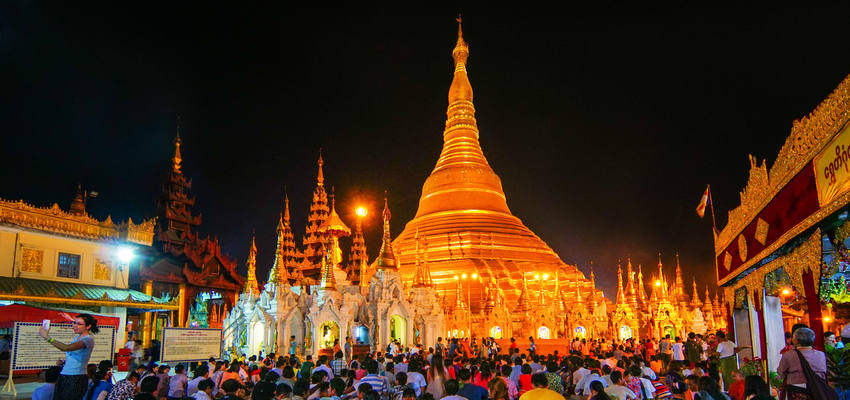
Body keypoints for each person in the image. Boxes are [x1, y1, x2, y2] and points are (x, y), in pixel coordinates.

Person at [38, 313, 99, 400]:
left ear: (88, 326)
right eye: (74, 323)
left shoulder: (88, 339)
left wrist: (47, 337)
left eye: (79, 324)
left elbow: (66, 348)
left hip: (76, 377)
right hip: (65, 374)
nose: (75, 326)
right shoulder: (77, 338)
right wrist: (64, 362)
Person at [778, 327, 828, 400]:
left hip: (796, 391)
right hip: (817, 389)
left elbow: (781, 372)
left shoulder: (788, 355)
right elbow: (824, 371)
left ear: (795, 340)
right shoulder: (821, 354)